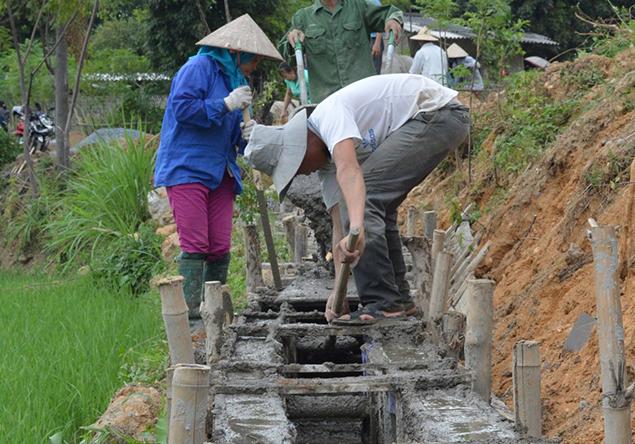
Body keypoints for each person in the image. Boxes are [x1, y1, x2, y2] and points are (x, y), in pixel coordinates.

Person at [244, 74, 470, 324]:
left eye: (297, 168)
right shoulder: (326, 163)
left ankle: (383, 303)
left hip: (438, 114)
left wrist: (358, 225)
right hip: (431, 120)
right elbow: (339, 226)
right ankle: (399, 301)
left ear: (301, 146)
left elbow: (350, 172)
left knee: (368, 196)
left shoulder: (329, 116)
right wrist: (337, 290)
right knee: (368, 207)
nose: (304, 173)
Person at [153, 15, 283, 319]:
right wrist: (224, 104)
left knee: (219, 245)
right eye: (254, 61)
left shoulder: (237, 82)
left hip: (221, 171)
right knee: (196, 243)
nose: (255, 68)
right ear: (239, 53)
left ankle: (216, 314)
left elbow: (233, 136)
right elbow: (182, 109)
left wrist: (248, 134)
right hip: (188, 167)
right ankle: (193, 320)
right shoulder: (199, 68)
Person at [281, 0, 403, 103]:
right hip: (327, 101)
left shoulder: (359, 6)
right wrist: (292, 40)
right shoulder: (302, 17)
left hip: (364, 96)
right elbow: (287, 55)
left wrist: (393, 19)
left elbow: (390, 13)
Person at [369, 0, 384, 75]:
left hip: (374, 39)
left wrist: (377, 43)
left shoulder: (375, 2)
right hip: (364, 38)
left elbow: (380, 22)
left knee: (375, 70)